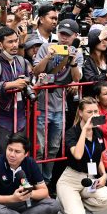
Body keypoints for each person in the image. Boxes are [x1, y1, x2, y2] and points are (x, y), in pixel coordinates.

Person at [57, 99, 107, 214]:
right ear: (80, 113)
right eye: (89, 112)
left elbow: (99, 158)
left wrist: (104, 175)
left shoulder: (98, 132)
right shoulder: (71, 133)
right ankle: (63, 202)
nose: (94, 115)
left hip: (89, 179)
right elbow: (78, 155)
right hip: (71, 180)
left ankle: (81, 204)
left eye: (96, 111)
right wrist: (85, 130)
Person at [32, 18, 83, 160]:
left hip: (60, 106)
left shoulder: (77, 53)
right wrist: (48, 57)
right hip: (42, 103)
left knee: (54, 147)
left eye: (68, 34)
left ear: (75, 36)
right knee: (39, 148)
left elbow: (77, 78)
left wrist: (72, 63)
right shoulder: (46, 47)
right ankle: (39, 180)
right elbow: (36, 71)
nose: (64, 38)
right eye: (62, 34)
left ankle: (47, 179)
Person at [0, 26, 34, 153]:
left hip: (21, 116)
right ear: (0, 44)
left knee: (20, 153)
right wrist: (13, 84)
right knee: (4, 154)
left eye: (16, 41)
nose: (15, 45)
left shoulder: (22, 61)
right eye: (10, 42)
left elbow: (31, 80)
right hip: (1, 118)